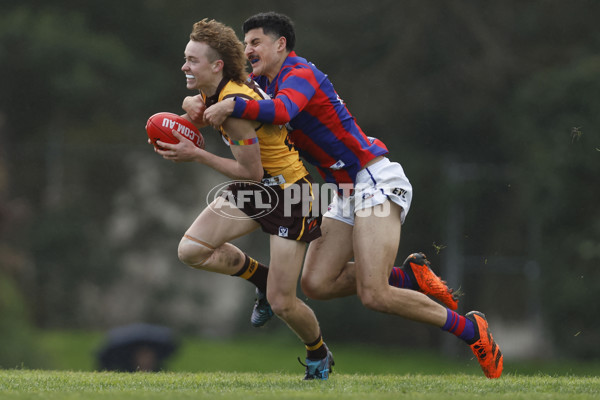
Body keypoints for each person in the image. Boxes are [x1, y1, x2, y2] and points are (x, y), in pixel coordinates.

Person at [197, 12, 503, 379]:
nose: (248, 51)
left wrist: (230, 105)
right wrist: (196, 107)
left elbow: (282, 112)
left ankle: (471, 331)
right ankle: (409, 277)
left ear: (281, 45)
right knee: (315, 284)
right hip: (343, 191)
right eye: (245, 44)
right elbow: (231, 92)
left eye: (255, 42)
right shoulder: (262, 82)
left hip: (373, 179)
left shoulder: (300, 74)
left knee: (374, 294)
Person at [153, 18, 333, 380]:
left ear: (217, 66)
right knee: (191, 250)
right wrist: (182, 118)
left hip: (291, 195)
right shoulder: (217, 90)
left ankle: (318, 352)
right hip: (260, 189)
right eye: (185, 58)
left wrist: (196, 154)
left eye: (192, 61)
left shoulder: (235, 108)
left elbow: (249, 172)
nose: (184, 66)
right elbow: (208, 114)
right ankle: (260, 278)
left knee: (284, 303)